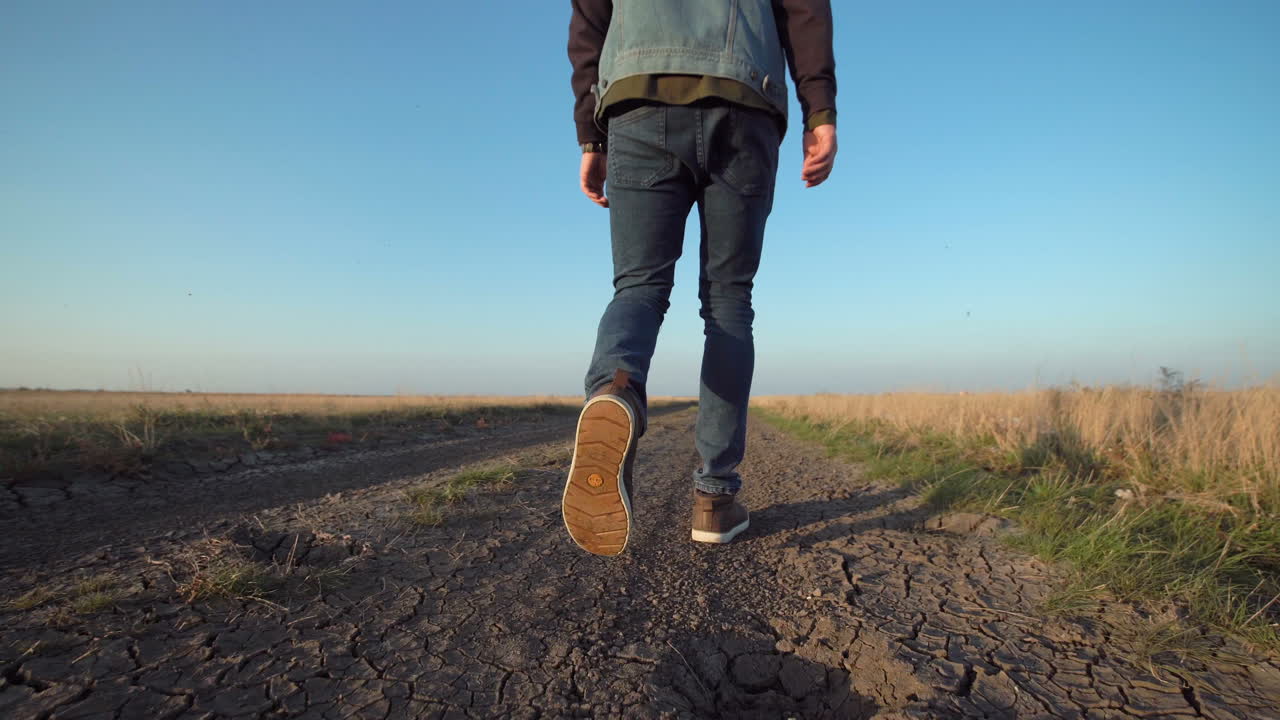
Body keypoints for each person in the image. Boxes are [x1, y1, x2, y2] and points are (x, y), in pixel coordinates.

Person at [562, 0, 838, 556]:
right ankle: (714, 498)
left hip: (636, 95)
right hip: (744, 97)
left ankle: (615, 392)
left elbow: (589, 19)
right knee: (728, 301)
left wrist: (590, 135)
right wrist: (820, 110)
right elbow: (805, 9)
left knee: (638, 286)